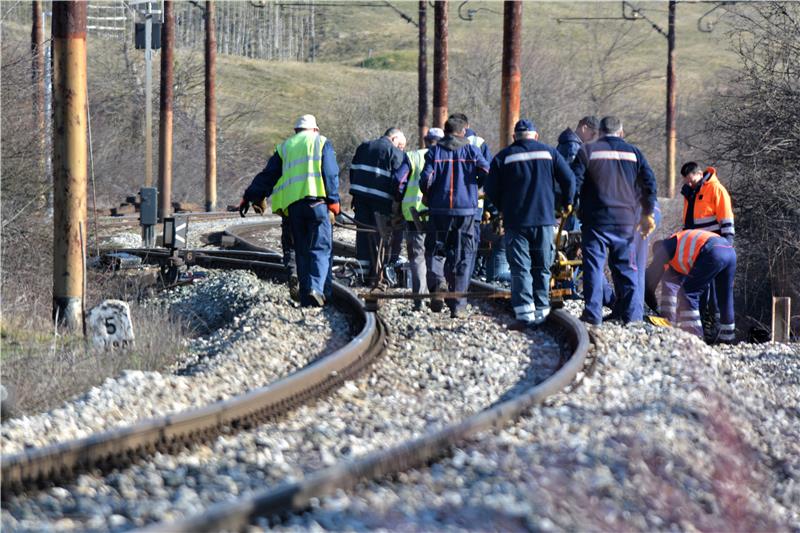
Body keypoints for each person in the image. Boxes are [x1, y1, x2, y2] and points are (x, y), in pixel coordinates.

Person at [239, 114, 340, 307]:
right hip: (317, 205)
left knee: (301, 250)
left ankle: (305, 295)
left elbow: (266, 176)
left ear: (296, 131)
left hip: (294, 208)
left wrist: (249, 196)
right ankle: (316, 289)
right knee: (320, 247)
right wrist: (334, 200)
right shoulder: (321, 142)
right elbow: (330, 172)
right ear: (315, 130)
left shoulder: (285, 147)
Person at [485, 119, 576, 327]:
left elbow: (490, 189)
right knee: (543, 267)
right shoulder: (550, 153)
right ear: (536, 136)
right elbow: (569, 179)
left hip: (515, 222)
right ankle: (542, 311)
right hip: (544, 220)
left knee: (520, 268)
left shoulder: (503, 157)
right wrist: (567, 203)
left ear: (514, 137)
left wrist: (502, 207)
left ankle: (525, 314)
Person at [572, 116, 658, 325]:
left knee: (593, 266)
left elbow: (574, 181)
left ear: (600, 132)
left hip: (596, 220)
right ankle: (630, 317)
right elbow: (649, 183)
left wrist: (570, 205)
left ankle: (593, 314)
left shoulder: (587, 151)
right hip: (625, 221)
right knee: (626, 268)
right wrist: (647, 212)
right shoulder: (634, 153)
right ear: (621, 132)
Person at [419, 115, 490, 318]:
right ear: (464, 130)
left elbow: (426, 178)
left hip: (439, 210)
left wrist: (430, 192)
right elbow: (486, 170)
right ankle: (458, 305)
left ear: (446, 130)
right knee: (464, 255)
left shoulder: (435, 151)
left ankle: (438, 283)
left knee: (435, 249)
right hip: (466, 210)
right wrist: (476, 186)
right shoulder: (471, 150)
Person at [645, 229, 736, 343]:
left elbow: (648, 284)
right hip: (729, 251)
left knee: (688, 293)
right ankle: (727, 340)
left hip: (712, 250)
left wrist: (655, 307)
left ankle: (694, 337)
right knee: (725, 297)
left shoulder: (664, 248)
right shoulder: (681, 249)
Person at [349, 128, 409, 282]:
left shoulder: (364, 146)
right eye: (401, 145)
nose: (401, 149)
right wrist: (397, 200)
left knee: (362, 231)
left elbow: (352, 171)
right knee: (380, 235)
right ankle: (380, 270)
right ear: (394, 139)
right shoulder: (394, 152)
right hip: (381, 201)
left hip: (360, 197)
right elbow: (398, 180)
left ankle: (362, 270)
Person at [398, 127, 444, 309]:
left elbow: (399, 182)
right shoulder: (445, 157)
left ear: (426, 140)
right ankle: (439, 294)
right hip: (439, 214)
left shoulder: (412, 156)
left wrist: (397, 202)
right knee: (437, 254)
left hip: (413, 214)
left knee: (417, 256)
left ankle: (419, 300)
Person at [556, 116, 599, 232]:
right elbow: (569, 178)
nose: (594, 138)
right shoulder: (572, 148)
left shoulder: (568, 145)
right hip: (569, 204)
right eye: (593, 133)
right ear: (584, 128)